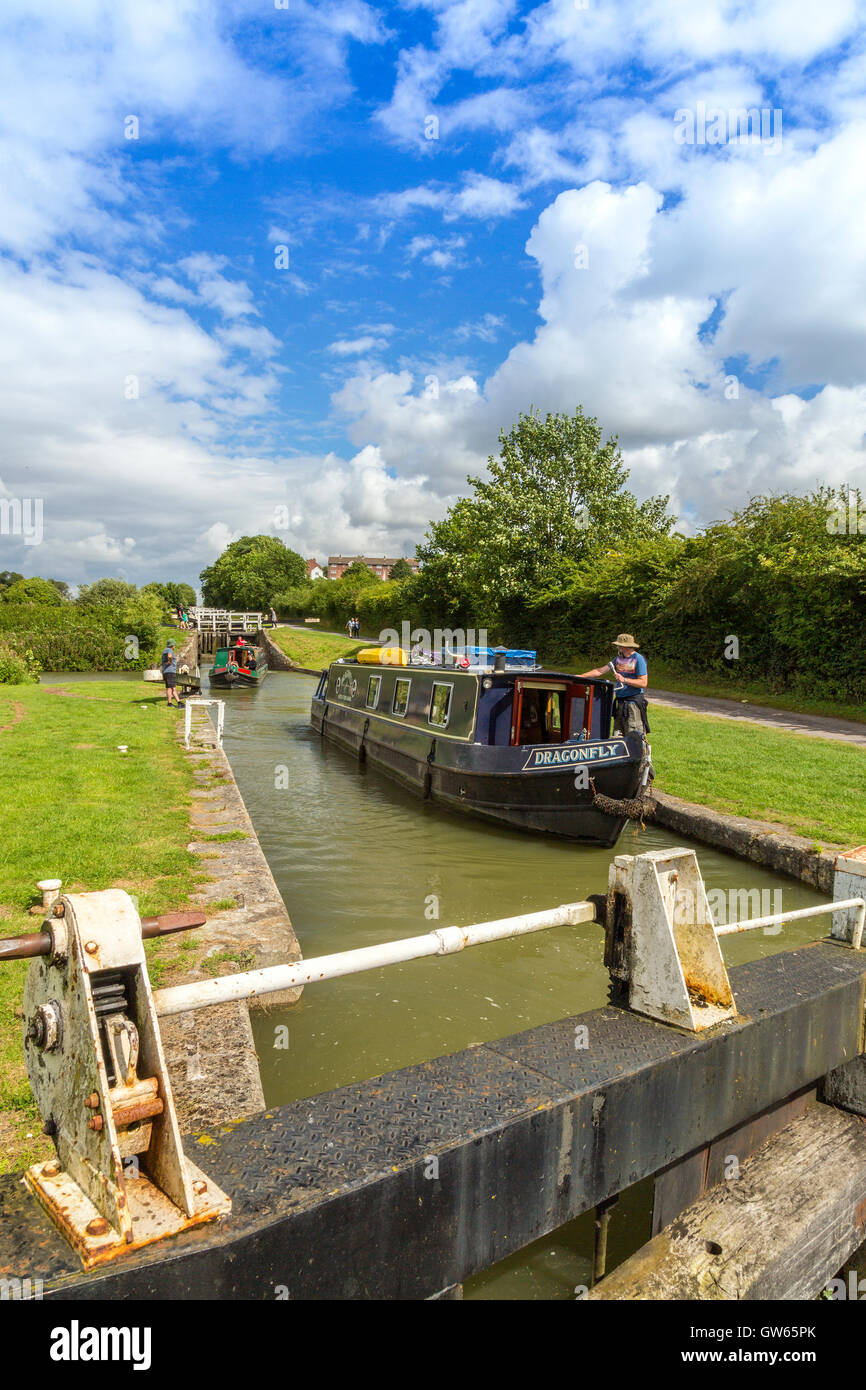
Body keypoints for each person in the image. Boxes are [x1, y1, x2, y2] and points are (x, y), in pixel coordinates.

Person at [578, 633, 648, 736]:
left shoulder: (638, 659)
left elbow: (643, 682)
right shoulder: (618, 659)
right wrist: (580, 676)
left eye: (619, 645)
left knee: (634, 736)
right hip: (620, 703)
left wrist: (624, 679)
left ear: (626, 646)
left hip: (633, 704)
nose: (617, 647)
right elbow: (600, 671)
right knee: (617, 735)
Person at [160, 637, 182, 707]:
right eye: (174, 645)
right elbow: (169, 656)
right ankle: (176, 703)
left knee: (170, 687)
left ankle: (172, 703)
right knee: (172, 688)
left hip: (167, 672)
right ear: (172, 645)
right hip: (170, 672)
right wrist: (170, 661)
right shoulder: (169, 650)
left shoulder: (165, 650)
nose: (175, 646)